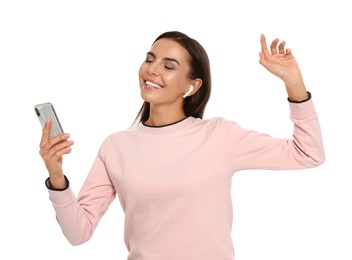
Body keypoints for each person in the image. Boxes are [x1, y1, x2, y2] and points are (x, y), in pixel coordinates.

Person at [39, 31, 325, 260]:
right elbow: (78, 233)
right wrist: (56, 177)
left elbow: (308, 153)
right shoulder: (116, 146)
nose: (152, 70)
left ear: (192, 86)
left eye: (168, 66)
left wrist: (294, 82)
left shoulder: (219, 135)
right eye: (150, 59)